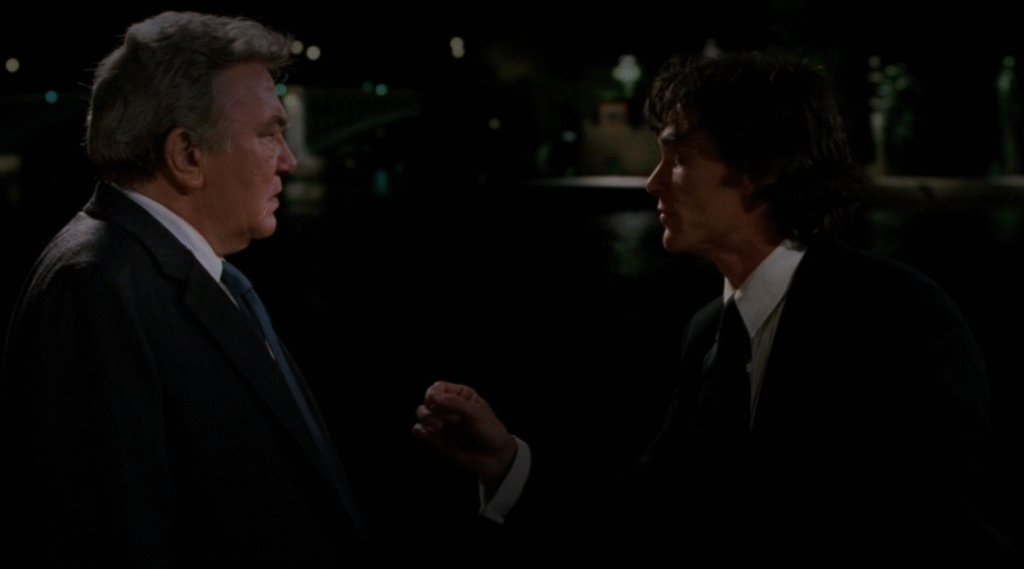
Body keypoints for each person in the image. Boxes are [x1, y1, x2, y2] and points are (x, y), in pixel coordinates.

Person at [415, 52, 1013, 561]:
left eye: (678, 157)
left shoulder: (898, 315)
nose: (653, 182)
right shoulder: (709, 334)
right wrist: (506, 462)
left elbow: (952, 529)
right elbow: (650, 515)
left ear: (762, 168)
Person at [1, 12, 366, 564]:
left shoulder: (160, 273)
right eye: (269, 134)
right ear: (188, 156)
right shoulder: (96, 288)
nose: (290, 161)